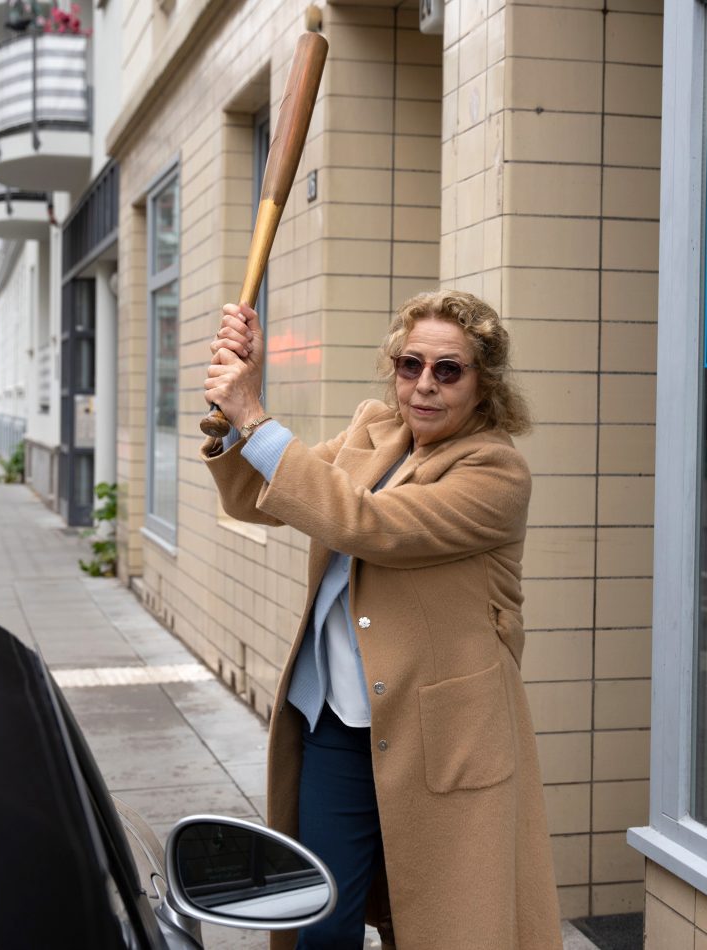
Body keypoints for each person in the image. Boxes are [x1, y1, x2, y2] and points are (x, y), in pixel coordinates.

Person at [202, 290, 562, 950]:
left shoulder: (495, 472)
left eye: (448, 370)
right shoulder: (376, 429)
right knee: (319, 918)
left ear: (484, 385)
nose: (423, 385)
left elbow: (368, 525)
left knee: (445, 926)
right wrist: (234, 412)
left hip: (442, 741)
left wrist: (256, 416)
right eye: (409, 364)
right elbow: (271, 498)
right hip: (337, 724)